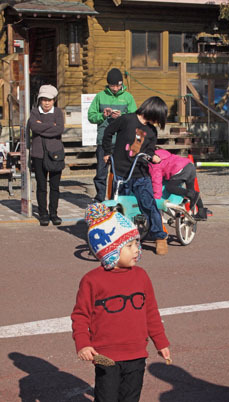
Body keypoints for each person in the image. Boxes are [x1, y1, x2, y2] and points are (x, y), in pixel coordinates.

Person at [71, 203, 171, 402]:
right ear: (111, 251)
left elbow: (150, 311)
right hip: (105, 355)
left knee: (130, 398)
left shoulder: (141, 276)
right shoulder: (92, 280)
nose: (136, 250)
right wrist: (83, 344)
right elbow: (81, 315)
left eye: (136, 244)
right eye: (129, 246)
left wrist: (161, 342)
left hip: (137, 354)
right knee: (106, 397)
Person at [102, 96, 169, 255]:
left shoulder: (151, 131)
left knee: (148, 204)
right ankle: (120, 237)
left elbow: (150, 150)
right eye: (158, 117)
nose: (157, 122)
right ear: (152, 111)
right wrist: (107, 152)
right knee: (119, 208)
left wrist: (153, 156)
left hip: (140, 173)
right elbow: (108, 132)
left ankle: (159, 237)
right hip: (120, 172)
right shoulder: (126, 120)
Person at [88, 68, 137, 202]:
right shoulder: (100, 96)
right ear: (108, 84)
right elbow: (91, 117)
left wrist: (123, 117)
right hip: (104, 140)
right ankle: (100, 198)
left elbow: (135, 117)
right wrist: (103, 115)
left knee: (118, 172)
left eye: (118, 85)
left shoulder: (128, 97)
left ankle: (116, 198)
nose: (115, 88)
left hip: (122, 141)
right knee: (101, 172)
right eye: (112, 85)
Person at [28, 84, 64, 226]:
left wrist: (42, 126)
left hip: (56, 154)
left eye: (49, 100)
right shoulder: (34, 112)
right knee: (41, 186)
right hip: (38, 154)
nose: (47, 103)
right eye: (44, 99)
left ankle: (53, 213)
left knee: (55, 186)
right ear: (40, 100)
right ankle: (43, 213)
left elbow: (59, 129)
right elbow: (34, 127)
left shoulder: (58, 112)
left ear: (54, 100)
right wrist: (51, 126)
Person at [149, 149, 212, 221]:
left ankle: (190, 194)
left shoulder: (153, 165)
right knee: (192, 192)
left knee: (170, 187)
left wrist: (156, 199)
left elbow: (157, 182)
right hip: (189, 165)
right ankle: (201, 212)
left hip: (180, 169)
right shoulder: (161, 153)